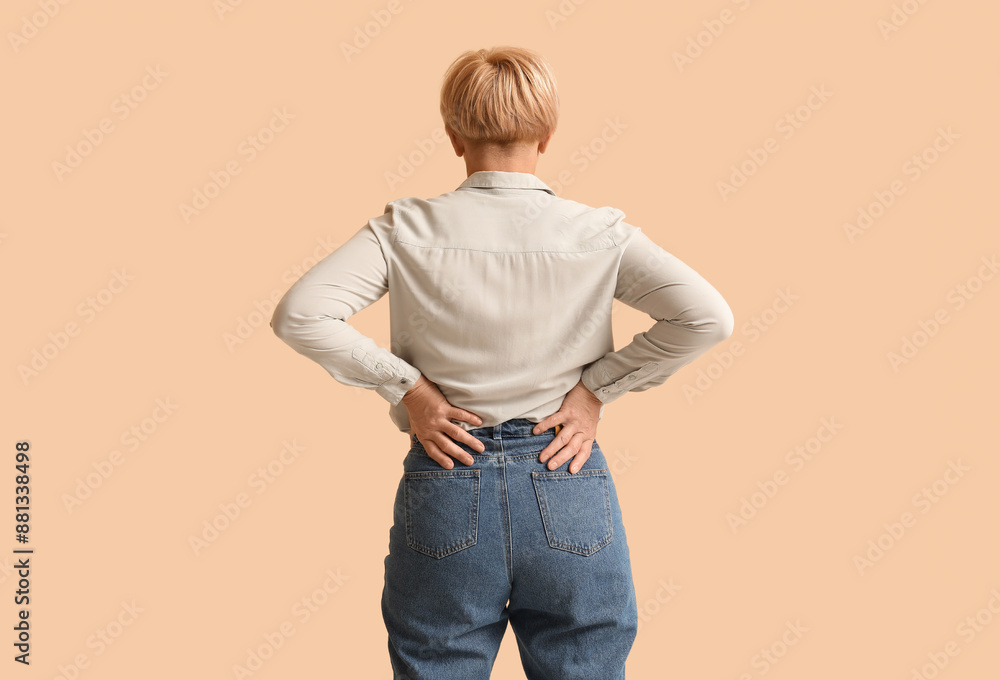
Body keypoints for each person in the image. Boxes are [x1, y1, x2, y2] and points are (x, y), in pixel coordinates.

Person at [270, 46, 734, 680]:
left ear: (453, 137)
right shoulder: (598, 233)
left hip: (447, 478)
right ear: (547, 135)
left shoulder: (405, 228)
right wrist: (595, 390)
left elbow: (301, 314)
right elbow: (707, 317)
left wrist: (411, 390)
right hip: (564, 474)